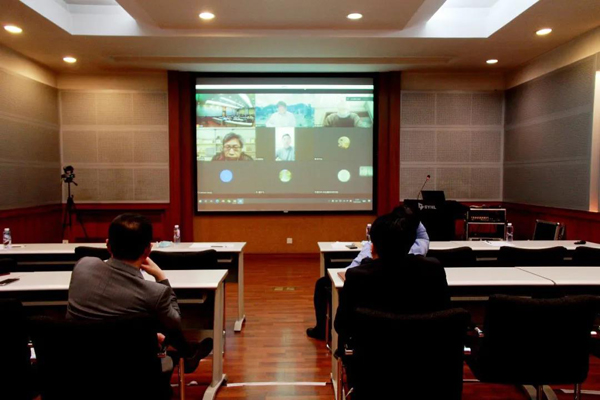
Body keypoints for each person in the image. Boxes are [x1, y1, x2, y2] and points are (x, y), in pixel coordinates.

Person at [67, 214, 213, 394]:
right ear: (148, 250)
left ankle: (188, 352)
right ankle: (188, 353)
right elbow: (175, 321)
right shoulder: (154, 292)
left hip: (77, 370)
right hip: (131, 374)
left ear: (108, 245)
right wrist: (161, 277)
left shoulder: (82, 266)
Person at [306, 207, 430, 340]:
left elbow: (342, 326)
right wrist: (410, 219)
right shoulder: (429, 267)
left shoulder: (359, 273)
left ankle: (321, 330)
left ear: (373, 247)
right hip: (414, 341)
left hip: (366, 346)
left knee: (322, 284)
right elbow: (422, 236)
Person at [334, 208, 450, 347]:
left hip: (371, 353)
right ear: (411, 242)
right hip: (425, 350)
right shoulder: (433, 269)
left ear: (372, 247)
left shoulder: (357, 275)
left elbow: (342, 326)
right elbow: (445, 314)